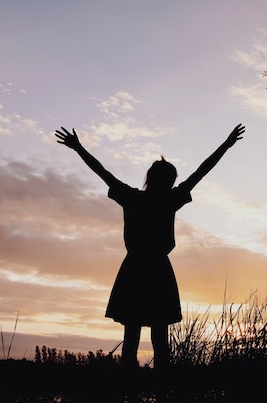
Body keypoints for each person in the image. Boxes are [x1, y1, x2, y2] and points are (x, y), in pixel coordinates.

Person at [55, 123, 245, 370]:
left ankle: (132, 391)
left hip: (136, 268)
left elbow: (102, 172)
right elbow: (201, 172)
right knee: (158, 337)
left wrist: (79, 148)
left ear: (149, 178)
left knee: (132, 335)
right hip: (156, 269)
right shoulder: (168, 199)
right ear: (169, 181)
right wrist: (226, 145)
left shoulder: (132, 197)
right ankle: (160, 393)